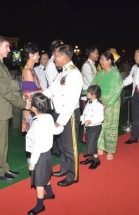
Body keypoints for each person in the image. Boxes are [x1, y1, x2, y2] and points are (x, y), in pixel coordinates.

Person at [0, 36, 30, 180]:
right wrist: (23, 104)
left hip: (2, 108)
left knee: (3, 142)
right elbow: (5, 90)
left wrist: (26, 86)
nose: (9, 50)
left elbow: (9, 83)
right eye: (6, 47)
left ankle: (4, 168)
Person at [43, 44, 83, 186]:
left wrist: (60, 121)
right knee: (61, 145)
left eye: (56, 55)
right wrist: (38, 96)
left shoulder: (74, 73)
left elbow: (72, 101)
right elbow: (52, 89)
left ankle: (73, 175)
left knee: (70, 147)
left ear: (64, 56)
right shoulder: (63, 72)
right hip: (58, 112)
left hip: (68, 115)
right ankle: (64, 168)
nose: (54, 59)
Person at [26, 93, 63, 215]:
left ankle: (40, 205)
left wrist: (32, 162)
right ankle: (50, 193)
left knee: (39, 181)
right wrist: (61, 126)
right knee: (46, 174)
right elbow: (55, 130)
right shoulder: (48, 117)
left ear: (34, 108)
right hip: (48, 154)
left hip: (40, 156)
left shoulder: (38, 123)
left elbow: (37, 146)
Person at [92, 52, 123, 160]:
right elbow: (93, 86)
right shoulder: (99, 73)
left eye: (103, 59)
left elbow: (117, 91)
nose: (101, 61)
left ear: (110, 61)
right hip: (99, 102)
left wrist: (108, 104)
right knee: (100, 125)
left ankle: (110, 150)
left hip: (112, 103)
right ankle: (100, 146)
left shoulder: (116, 74)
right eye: (100, 59)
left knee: (110, 127)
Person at [45, 39, 63, 157]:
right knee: (56, 125)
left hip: (58, 100)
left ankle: (57, 148)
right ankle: (56, 148)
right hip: (55, 101)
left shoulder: (56, 63)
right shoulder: (52, 64)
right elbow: (53, 85)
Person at [79, 85, 104, 169]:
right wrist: (80, 120)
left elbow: (101, 118)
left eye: (88, 92)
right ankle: (90, 158)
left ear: (93, 95)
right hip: (88, 127)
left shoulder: (99, 106)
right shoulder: (88, 103)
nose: (87, 93)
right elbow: (85, 114)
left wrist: (91, 121)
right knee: (88, 142)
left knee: (92, 144)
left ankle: (97, 160)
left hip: (95, 127)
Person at [22, 43, 42, 133]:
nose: (39, 56)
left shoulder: (31, 69)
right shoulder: (27, 71)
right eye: (37, 54)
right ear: (31, 55)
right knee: (32, 136)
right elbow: (33, 92)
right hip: (32, 108)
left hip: (33, 106)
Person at [80, 46, 99, 143]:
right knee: (87, 117)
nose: (98, 55)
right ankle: (85, 138)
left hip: (92, 96)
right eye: (96, 53)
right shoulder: (87, 65)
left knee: (92, 117)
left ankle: (90, 137)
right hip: (86, 97)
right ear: (91, 54)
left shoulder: (92, 64)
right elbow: (93, 82)